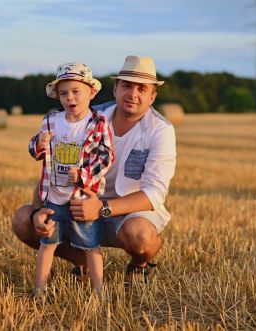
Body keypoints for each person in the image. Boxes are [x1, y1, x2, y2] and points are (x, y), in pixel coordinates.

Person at [12, 55, 176, 284]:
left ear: (153, 96)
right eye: (127, 85)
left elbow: (155, 194)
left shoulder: (161, 130)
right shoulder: (84, 117)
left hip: (124, 213)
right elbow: (52, 166)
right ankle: (81, 260)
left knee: (140, 236)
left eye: (142, 89)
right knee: (23, 220)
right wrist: (40, 209)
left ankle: (139, 265)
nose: (133, 94)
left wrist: (101, 208)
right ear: (115, 88)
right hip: (76, 205)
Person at [29, 62, 114, 298]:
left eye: (76, 91)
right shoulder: (50, 121)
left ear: (91, 92)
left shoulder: (97, 123)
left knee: (91, 247)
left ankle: (99, 292)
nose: (70, 98)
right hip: (54, 198)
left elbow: (106, 157)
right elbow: (34, 150)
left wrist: (84, 175)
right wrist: (39, 143)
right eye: (64, 93)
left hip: (81, 199)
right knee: (47, 245)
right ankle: (39, 289)